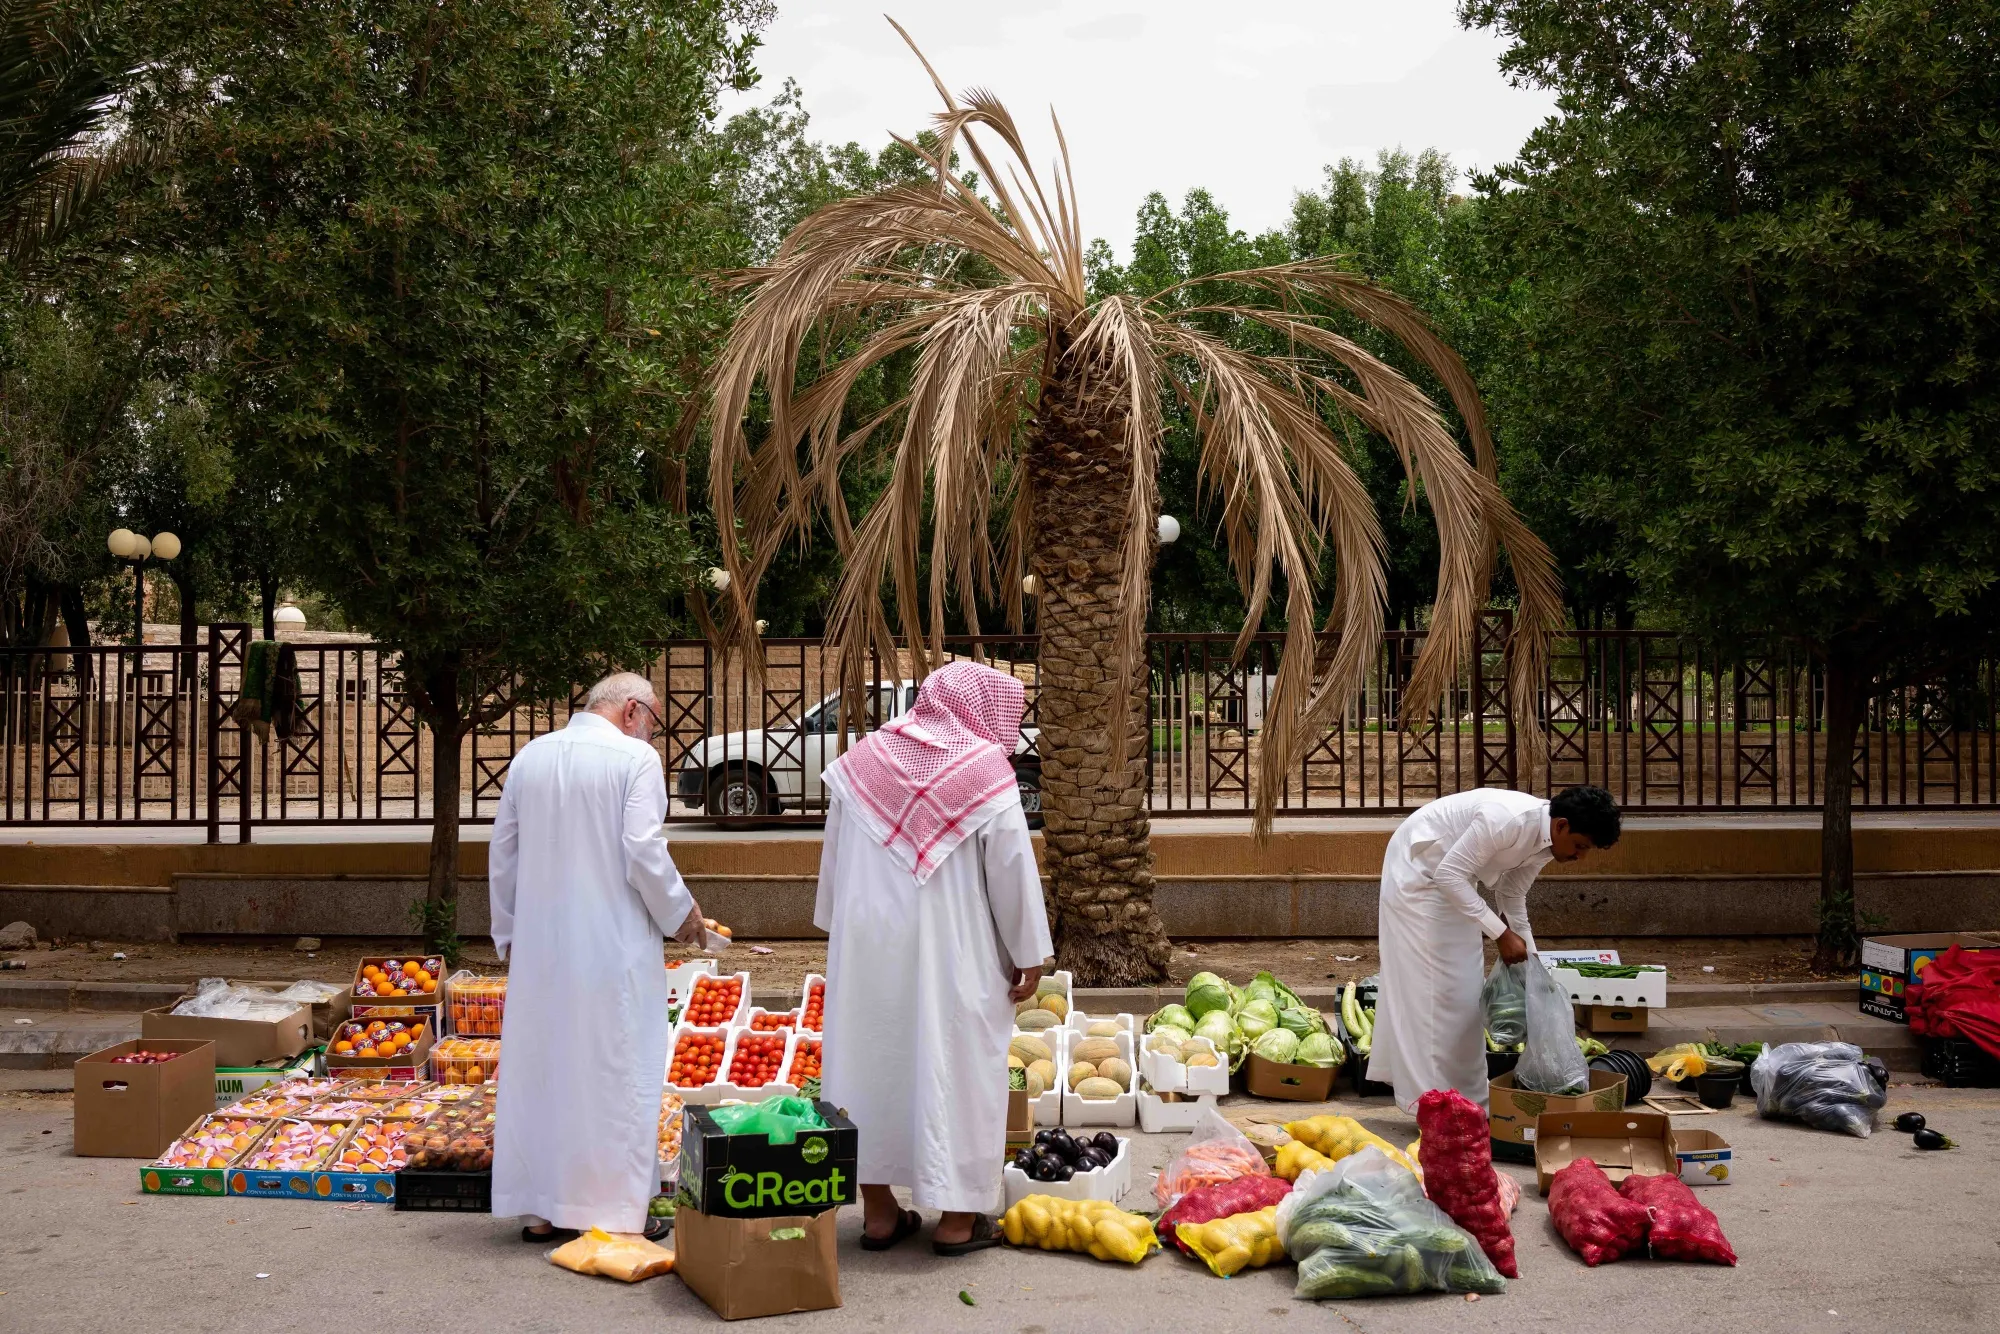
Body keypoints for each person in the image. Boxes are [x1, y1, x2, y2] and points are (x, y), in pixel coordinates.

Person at [814, 660, 1052, 1257]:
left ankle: (878, 1215)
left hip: (868, 945)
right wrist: (1030, 954)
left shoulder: (863, 761)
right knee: (960, 1069)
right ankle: (955, 1220)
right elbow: (1013, 874)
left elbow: (834, 873)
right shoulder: (984, 772)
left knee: (868, 1066)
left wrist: (845, 938)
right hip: (955, 949)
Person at [489, 671, 704, 1243]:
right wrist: (683, 917)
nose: (654, 734)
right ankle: (610, 1212)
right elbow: (643, 852)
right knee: (615, 1072)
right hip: (612, 948)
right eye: (654, 720)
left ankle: (540, 1208)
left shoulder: (531, 757)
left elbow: (503, 852)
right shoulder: (634, 760)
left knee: (544, 1070)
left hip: (541, 949)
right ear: (633, 710)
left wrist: (508, 934)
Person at [1367, 785, 1622, 1112]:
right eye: (1579, 846)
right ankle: (1430, 1107)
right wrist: (1501, 934)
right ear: (1561, 826)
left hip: (1455, 882)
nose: (1579, 857)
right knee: (1435, 993)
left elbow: (1512, 897)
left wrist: (1532, 959)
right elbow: (1448, 875)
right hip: (1418, 872)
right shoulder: (1507, 821)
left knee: (1466, 993)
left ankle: (1470, 1104)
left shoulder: (1547, 844)